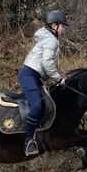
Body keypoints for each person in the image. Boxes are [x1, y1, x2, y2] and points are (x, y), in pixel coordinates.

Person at [18, 10, 69, 156]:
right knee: (37, 107)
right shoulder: (51, 40)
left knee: (48, 103)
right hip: (28, 75)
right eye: (63, 26)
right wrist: (58, 79)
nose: (64, 29)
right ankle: (28, 141)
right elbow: (46, 63)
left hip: (35, 76)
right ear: (54, 25)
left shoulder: (49, 38)